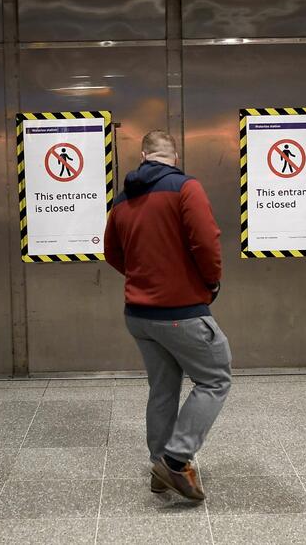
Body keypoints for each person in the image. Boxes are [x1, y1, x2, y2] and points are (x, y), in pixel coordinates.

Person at [103, 130, 231, 501]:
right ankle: (176, 461)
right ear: (174, 156)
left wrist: (143, 277)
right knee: (215, 379)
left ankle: (160, 463)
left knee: (163, 387)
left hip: (139, 316)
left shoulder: (124, 199)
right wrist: (211, 283)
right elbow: (206, 241)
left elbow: (112, 252)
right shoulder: (186, 188)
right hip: (181, 312)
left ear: (144, 155)